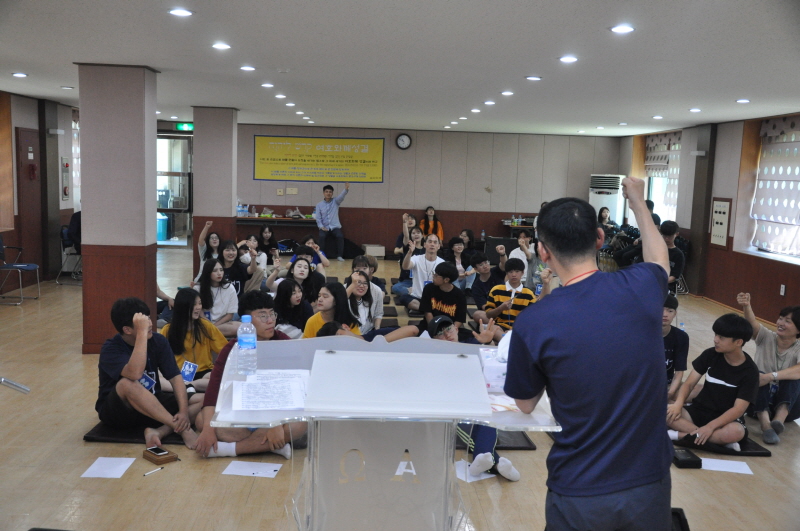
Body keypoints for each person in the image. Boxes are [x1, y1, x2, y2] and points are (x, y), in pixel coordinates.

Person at [504, 177, 673, 530]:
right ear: (599, 238)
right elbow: (659, 257)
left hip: (578, 488)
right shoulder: (641, 286)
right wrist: (637, 201)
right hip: (648, 485)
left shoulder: (533, 322)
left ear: (543, 251)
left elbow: (525, 403)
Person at [195, 291, 307, 459]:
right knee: (201, 421)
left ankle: (229, 449)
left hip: (276, 411)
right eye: (262, 316)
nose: (270, 320)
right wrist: (208, 430)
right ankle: (270, 445)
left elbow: (291, 390)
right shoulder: (233, 348)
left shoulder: (283, 342)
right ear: (246, 321)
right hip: (243, 412)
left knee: (300, 425)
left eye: (272, 314)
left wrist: (275, 423)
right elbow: (213, 391)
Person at [96, 298, 199, 449]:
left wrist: (183, 412)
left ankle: (159, 432)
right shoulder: (110, 348)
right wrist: (142, 334)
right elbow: (135, 373)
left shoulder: (158, 341)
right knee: (126, 383)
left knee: (204, 400)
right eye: (143, 324)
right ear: (127, 330)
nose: (150, 324)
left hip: (152, 403)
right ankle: (182, 429)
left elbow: (175, 378)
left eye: (149, 319)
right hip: (119, 412)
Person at [667, 314, 758, 452]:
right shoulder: (710, 354)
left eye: (721, 337)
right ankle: (716, 441)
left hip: (725, 419)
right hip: (698, 411)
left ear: (738, 342)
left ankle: (679, 436)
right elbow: (689, 384)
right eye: (716, 335)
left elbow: (738, 409)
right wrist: (678, 404)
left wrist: (710, 427)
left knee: (736, 432)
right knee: (665, 411)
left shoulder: (750, 371)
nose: (715, 339)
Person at [737, 292, 800, 444]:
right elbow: (752, 324)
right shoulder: (766, 337)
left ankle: (779, 420)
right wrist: (747, 306)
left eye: (787, 321)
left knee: (793, 378)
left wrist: (771, 376)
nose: (781, 323)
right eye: (780, 318)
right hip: (756, 405)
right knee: (757, 375)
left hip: (790, 409)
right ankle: (766, 426)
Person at [161, 288, 229, 393]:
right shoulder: (168, 330)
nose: (198, 307)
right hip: (178, 375)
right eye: (194, 304)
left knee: (219, 379)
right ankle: (187, 386)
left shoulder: (206, 326)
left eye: (200, 303)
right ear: (183, 306)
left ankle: (190, 386)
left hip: (205, 372)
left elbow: (225, 351)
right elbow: (160, 357)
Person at [418, 262, 468, 340]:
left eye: (436, 275)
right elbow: (427, 312)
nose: (433, 276)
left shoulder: (460, 295)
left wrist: (450, 332)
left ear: (446, 280)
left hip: (450, 328)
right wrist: (434, 330)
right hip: (430, 325)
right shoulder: (429, 288)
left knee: (471, 336)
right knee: (412, 330)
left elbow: (459, 320)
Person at [400, 233, 444, 312]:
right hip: (417, 297)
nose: (432, 244)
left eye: (435, 242)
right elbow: (405, 267)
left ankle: (423, 309)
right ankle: (430, 309)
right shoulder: (416, 258)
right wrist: (410, 252)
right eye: (430, 242)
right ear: (424, 245)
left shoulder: (442, 263)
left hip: (434, 299)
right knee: (403, 298)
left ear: (438, 246)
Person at [194, 259, 238, 333]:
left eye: (221, 270)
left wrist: (214, 327)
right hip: (204, 323)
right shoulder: (198, 288)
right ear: (208, 272)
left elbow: (230, 315)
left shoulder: (229, 287)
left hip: (222, 324)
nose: (219, 273)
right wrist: (208, 325)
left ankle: (211, 332)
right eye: (215, 271)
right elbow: (199, 312)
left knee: (238, 327)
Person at [663, 294, 689, 402]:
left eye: (670, 311)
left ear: (675, 314)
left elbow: (679, 372)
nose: (665, 314)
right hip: (645, 386)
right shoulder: (642, 334)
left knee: (701, 390)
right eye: (661, 310)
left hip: (668, 385)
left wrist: (670, 393)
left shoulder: (681, 337)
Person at [316, 182, 349, 262]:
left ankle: (339, 256)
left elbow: (341, 196)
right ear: (323, 193)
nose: (328, 193)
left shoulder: (336, 201)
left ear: (332, 193)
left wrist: (346, 189)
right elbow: (318, 218)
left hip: (335, 227)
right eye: (326, 192)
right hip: (324, 227)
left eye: (330, 192)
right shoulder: (319, 205)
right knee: (322, 236)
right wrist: (321, 227)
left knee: (340, 236)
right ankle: (321, 255)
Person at [344, 270, 383, 336]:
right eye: (358, 282)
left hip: (366, 336)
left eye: (365, 283)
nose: (362, 286)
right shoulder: (345, 301)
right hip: (348, 337)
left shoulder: (369, 302)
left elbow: (378, 314)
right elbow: (340, 301)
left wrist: (376, 331)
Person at [391, 222, 424, 297]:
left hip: (420, 280)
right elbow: (406, 236)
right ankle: (416, 293)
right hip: (407, 281)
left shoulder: (425, 250)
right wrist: (404, 222)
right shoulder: (408, 247)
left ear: (422, 235)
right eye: (413, 233)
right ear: (410, 236)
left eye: (418, 232)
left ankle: (414, 292)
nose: (416, 234)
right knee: (396, 288)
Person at [469, 251, 506, 317]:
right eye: (481, 265)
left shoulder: (496, 271)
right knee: (477, 314)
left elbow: (504, 264)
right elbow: (484, 307)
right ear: (475, 269)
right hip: (494, 312)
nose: (485, 266)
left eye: (486, 262)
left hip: (507, 304)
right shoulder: (476, 286)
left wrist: (502, 254)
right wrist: (499, 309)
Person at [659, 221, 685, 294]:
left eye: (670, 237)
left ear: (676, 234)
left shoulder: (678, 254)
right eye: (664, 236)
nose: (666, 239)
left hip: (667, 286)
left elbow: (674, 276)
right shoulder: (655, 249)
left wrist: (661, 281)